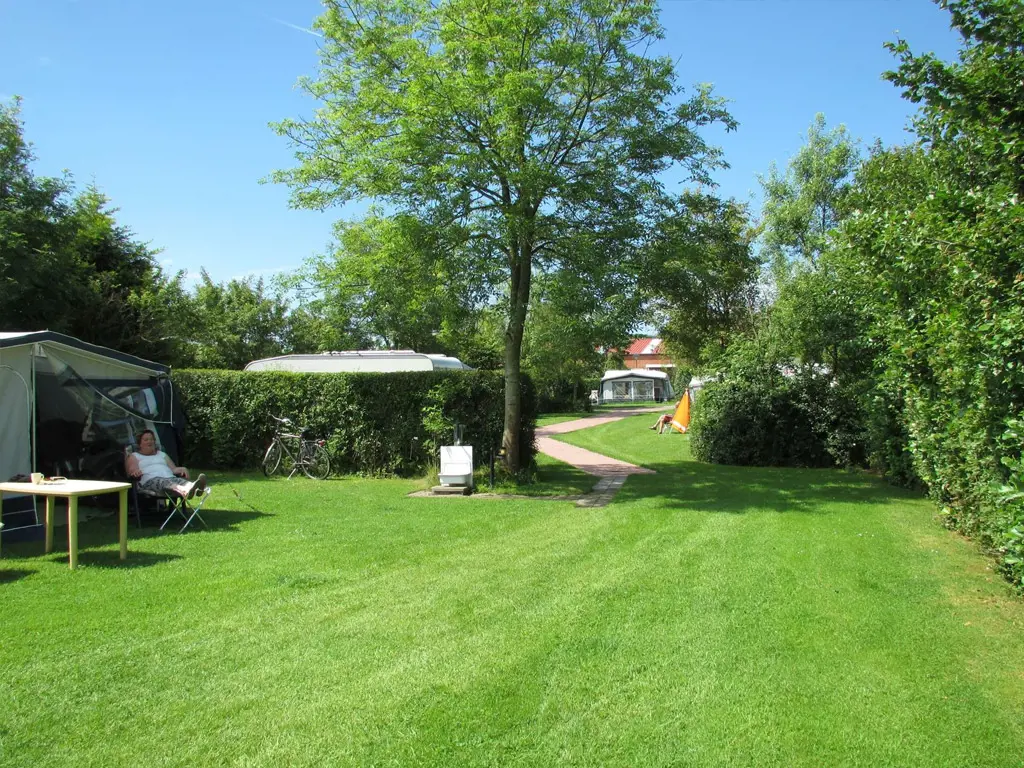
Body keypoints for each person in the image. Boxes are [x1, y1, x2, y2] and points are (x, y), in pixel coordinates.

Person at [126, 429, 207, 498]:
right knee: (165, 482)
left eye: (151, 439)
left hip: (170, 478)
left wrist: (183, 469)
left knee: (179, 481)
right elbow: (131, 471)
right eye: (146, 440)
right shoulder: (134, 456)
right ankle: (186, 491)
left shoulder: (162, 454)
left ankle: (196, 488)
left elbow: (173, 469)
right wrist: (136, 472)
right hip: (150, 481)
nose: (150, 441)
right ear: (140, 444)